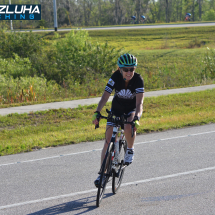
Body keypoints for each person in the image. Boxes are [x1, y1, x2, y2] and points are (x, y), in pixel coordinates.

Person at [92, 53, 144, 187]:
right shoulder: (115, 77)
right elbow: (104, 97)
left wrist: (137, 117)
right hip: (116, 110)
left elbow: (139, 103)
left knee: (128, 127)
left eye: (132, 69)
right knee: (108, 141)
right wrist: (97, 112)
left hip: (131, 110)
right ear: (120, 69)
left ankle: (130, 149)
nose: (129, 72)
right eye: (126, 69)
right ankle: (102, 175)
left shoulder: (138, 80)